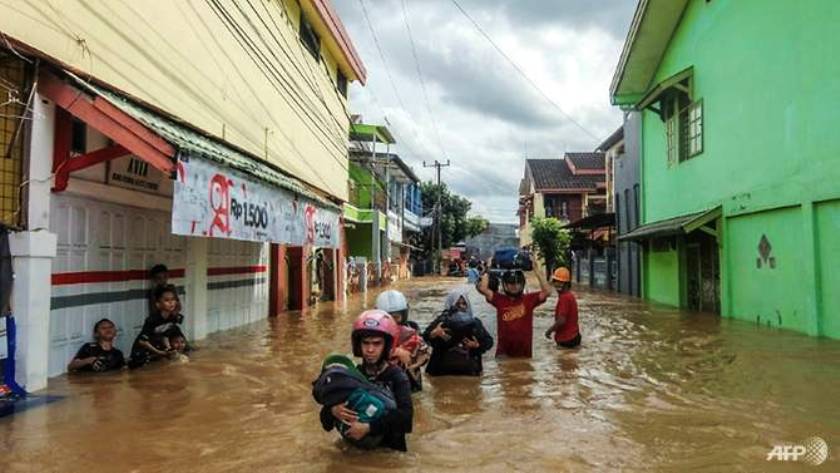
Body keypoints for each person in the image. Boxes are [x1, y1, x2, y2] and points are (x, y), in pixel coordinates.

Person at [320, 310, 413, 451]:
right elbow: (326, 424)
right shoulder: (350, 376)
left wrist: (369, 428)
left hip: (388, 455)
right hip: (354, 453)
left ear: (387, 346)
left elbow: (406, 420)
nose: (370, 349)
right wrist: (333, 411)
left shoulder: (398, 377)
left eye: (377, 344)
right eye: (366, 343)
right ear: (358, 345)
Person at [478, 268, 551, 358]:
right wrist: (486, 272)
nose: (514, 286)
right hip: (503, 351)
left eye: (517, 283)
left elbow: (547, 291)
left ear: (522, 284)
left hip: (524, 352)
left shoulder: (529, 299)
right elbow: (483, 288)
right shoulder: (499, 299)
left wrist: (537, 271)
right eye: (511, 283)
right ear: (505, 285)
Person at [423, 288, 494, 376]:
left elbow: (489, 342)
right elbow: (424, 337)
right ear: (451, 305)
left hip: (469, 373)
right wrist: (433, 334)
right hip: (441, 373)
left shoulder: (475, 323)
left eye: (464, 303)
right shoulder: (442, 321)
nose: (461, 307)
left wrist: (477, 345)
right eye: (457, 304)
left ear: (468, 305)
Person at [375, 290, 430, 392]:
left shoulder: (412, 329)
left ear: (403, 315)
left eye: (396, 317)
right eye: (387, 318)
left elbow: (425, 354)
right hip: (384, 386)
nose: (392, 321)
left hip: (411, 383)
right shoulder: (373, 333)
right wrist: (395, 351)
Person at [129, 285, 186, 368]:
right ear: (158, 304)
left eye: (173, 299)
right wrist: (160, 353)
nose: (171, 303)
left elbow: (165, 336)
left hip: (156, 351)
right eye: (167, 300)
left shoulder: (174, 318)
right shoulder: (152, 320)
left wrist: (169, 349)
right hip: (141, 353)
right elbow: (142, 341)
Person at [544, 267, 581, 349]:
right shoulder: (570, 296)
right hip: (575, 336)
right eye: (556, 282)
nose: (557, 285)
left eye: (560, 283)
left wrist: (549, 331)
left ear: (566, 284)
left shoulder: (564, 298)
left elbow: (561, 321)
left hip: (566, 340)